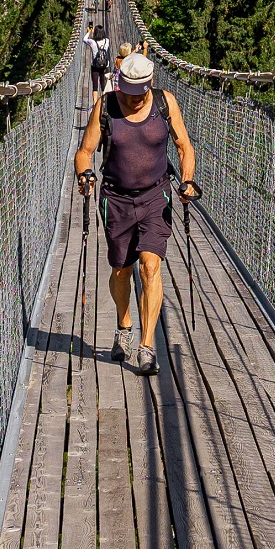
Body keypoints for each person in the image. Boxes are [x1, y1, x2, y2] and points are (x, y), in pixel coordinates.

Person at [73, 45, 195, 372]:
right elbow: (85, 152)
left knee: (150, 267)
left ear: (150, 83)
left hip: (156, 196)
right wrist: (84, 174)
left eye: (139, 94)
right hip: (117, 199)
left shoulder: (166, 103)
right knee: (121, 271)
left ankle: (146, 347)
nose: (134, 100)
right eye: (127, 93)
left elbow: (184, 146)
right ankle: (124, 325)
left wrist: (187, 180)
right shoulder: (106, 106)